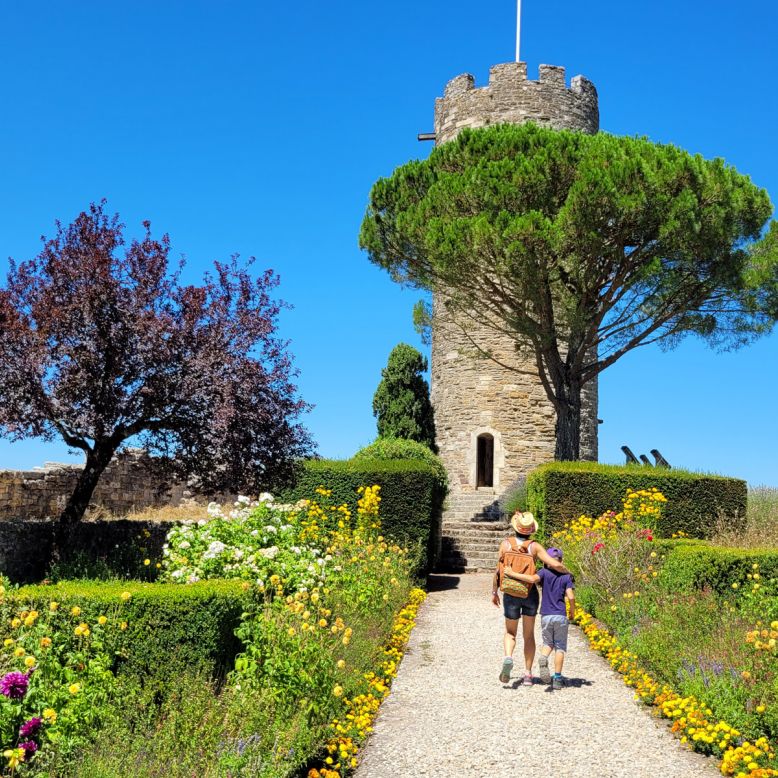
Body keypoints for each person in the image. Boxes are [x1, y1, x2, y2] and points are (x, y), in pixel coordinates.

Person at [491, 511, 570, 687]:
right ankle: (527, 674)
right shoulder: (534, 546)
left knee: (510, 633)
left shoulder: (505, 544)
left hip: (510, 593)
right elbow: (554, 564)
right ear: (531, 530)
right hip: (529, 594)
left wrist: (494, 592)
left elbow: (498, 570)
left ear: (515, 527)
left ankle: (508, 657)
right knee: (528, 635)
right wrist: (568, 572)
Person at [503, 546, 575, 690]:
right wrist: (572, 611)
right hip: (560, 615)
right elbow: (571, 597)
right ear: (561, 561)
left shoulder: (544, 573)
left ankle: (543, 657)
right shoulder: (567, 577)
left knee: (548, 642)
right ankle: (558, 679)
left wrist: (512, 573)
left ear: (546, 561)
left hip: (546, 615)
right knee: (560, 647)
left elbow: (530, 579)